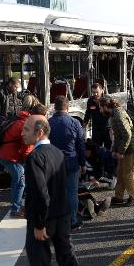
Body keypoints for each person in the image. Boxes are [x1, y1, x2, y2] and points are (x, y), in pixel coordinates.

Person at [21, 115, 95, 266]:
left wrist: (38, 224)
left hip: (45, 221)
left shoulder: (34, 158)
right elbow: (58, 188)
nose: (22, 132)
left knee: (41, 265)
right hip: (62, 216)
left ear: (39, 132)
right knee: (67, 258)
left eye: (26, 129)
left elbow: (41, 195)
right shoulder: (58, 153)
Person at [49, 96, 87, 230]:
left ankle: (56, 221)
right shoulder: (75, 123)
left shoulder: (48, 123)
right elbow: (80, 146)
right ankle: (72, 220)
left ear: (55, 107)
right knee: (72, 192)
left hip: (53, 163)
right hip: (71, 161)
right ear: (68, 107)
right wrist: (83, 163)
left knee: (55, 193)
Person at [0, 100, 36, 218]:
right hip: (10, 156)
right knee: (20, 182)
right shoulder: (25, 124)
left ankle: (19, 202)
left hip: (3, 153)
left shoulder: (18, 118)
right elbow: (27, 146)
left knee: (17, 179)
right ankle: (16, 209)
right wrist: (27, 159)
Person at [99, 97, 134, 208]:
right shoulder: (115, 114)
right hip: (126, 148)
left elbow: (127, 135)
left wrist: (120, 151)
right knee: (120, 173)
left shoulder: (118, 115)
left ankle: (132, 197)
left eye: (101, 108)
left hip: (129, 149)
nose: (100, 111)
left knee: (126, 174)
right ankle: (119, 197)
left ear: (106, 107)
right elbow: (118, 136)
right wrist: (114, 150)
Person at [83, 83, 112, 149]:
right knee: (96, 149)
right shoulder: (90, 101)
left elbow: (113, 113)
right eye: (93, 92)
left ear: (102, 90)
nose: (95, 94)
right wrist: (84, 123)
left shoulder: (107, 99)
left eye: (97, 92)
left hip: (107, 129)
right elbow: (88, 113)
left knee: (109, 149)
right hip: (96, 130)